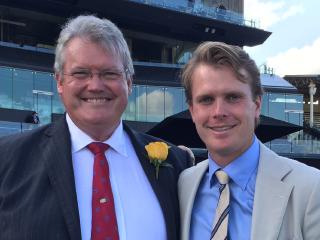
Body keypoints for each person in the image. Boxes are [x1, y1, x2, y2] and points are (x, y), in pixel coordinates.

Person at [0, 15, 192, 240]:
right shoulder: (7, 159)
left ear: (129, 83)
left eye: (109, 74)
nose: (95, 86)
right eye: (81, 73)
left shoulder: (175, 164)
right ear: (60, 82)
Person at [178, 41, 320, 240]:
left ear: (257, 104)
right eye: (206, 100)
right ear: (192, 110)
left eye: (233, 97)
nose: (219, 112)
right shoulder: (183, 185)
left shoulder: (311, 188)